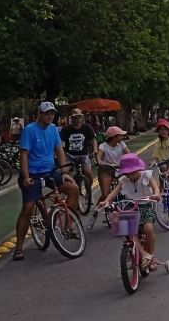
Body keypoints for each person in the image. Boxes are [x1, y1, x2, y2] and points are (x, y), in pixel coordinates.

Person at [12, 101, 80, 261]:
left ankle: (66, 225)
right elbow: (24, 155)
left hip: (50, 171)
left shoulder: (53, 129)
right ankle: (19, 248)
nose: (50, 116)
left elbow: (59, 150)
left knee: (73, 189)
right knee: (28, 208)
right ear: (39, 114)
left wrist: (63, 171)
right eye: (46, 113)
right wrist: (26, 177)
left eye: (52, 113)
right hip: (32, 174)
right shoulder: (30, 130)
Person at [98, 153, 161, 270]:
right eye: (126, 173)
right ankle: (144, 254)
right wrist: (106, 201)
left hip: (145, 206)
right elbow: (113, 193)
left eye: (131, 172)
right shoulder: (123, 180)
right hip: (130, 207)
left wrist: (156, 194)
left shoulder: (146, 175)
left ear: (138, 169)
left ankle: (151, 255)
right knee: (127, 231)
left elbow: (155, 187)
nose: (129, 175)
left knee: (148, 228)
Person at [60, 108, 98, 197]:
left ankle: (88, 192)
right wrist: (62, 152)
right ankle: (67, 192)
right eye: (75, 118)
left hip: (83, 155)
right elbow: (61, 143)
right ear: (72, 118)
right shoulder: (66, 129)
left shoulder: (87, 128)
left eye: (79, 117)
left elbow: (93, 140)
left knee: (88, 172)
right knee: (64, 172)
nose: (77, 120)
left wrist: (95, 150)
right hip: (69, 155)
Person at [96, 125, 131, 202]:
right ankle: (100, 206)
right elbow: (99, 156)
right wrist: (100, 161)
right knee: (105, 195)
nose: (122, 137)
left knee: (126, 190)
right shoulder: (103, 146)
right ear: (114, 137)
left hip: (120, 169)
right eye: (120, 135)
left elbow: (129, 154)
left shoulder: (122, 144)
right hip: (106, 170)